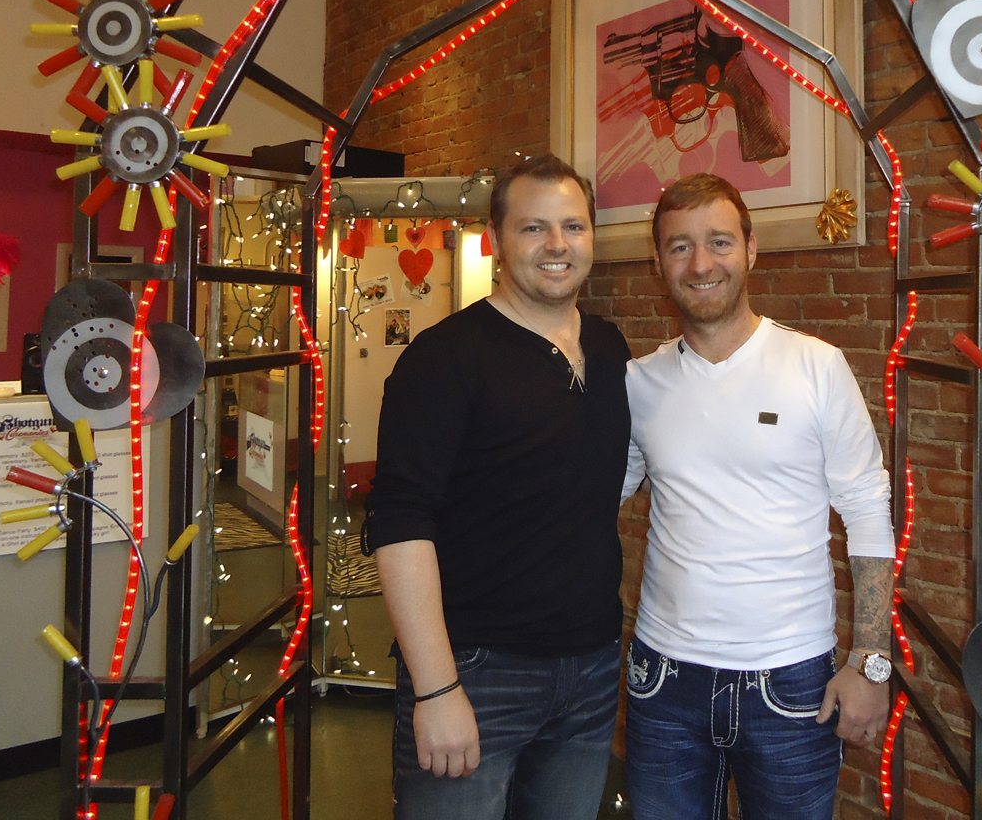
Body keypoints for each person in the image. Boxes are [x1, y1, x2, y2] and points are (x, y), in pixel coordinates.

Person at [365, 154, 632, 820]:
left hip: (593, 666)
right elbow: (399, 521)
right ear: (496, 239)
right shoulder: (444, 358)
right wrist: (436, 688)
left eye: (573, 226)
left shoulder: (610, 349)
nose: (557, 244)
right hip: (477, 669)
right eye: (534, 228)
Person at [621, 173, 895, 820]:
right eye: (680, 246)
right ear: (658, 262)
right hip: (663, 683)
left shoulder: (816, 367)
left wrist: (871, 663)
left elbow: (866, 511)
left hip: (792, 685)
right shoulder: (638, 383)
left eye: (719, 241)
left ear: (750, 249)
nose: (701, 263)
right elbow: (589, 498)